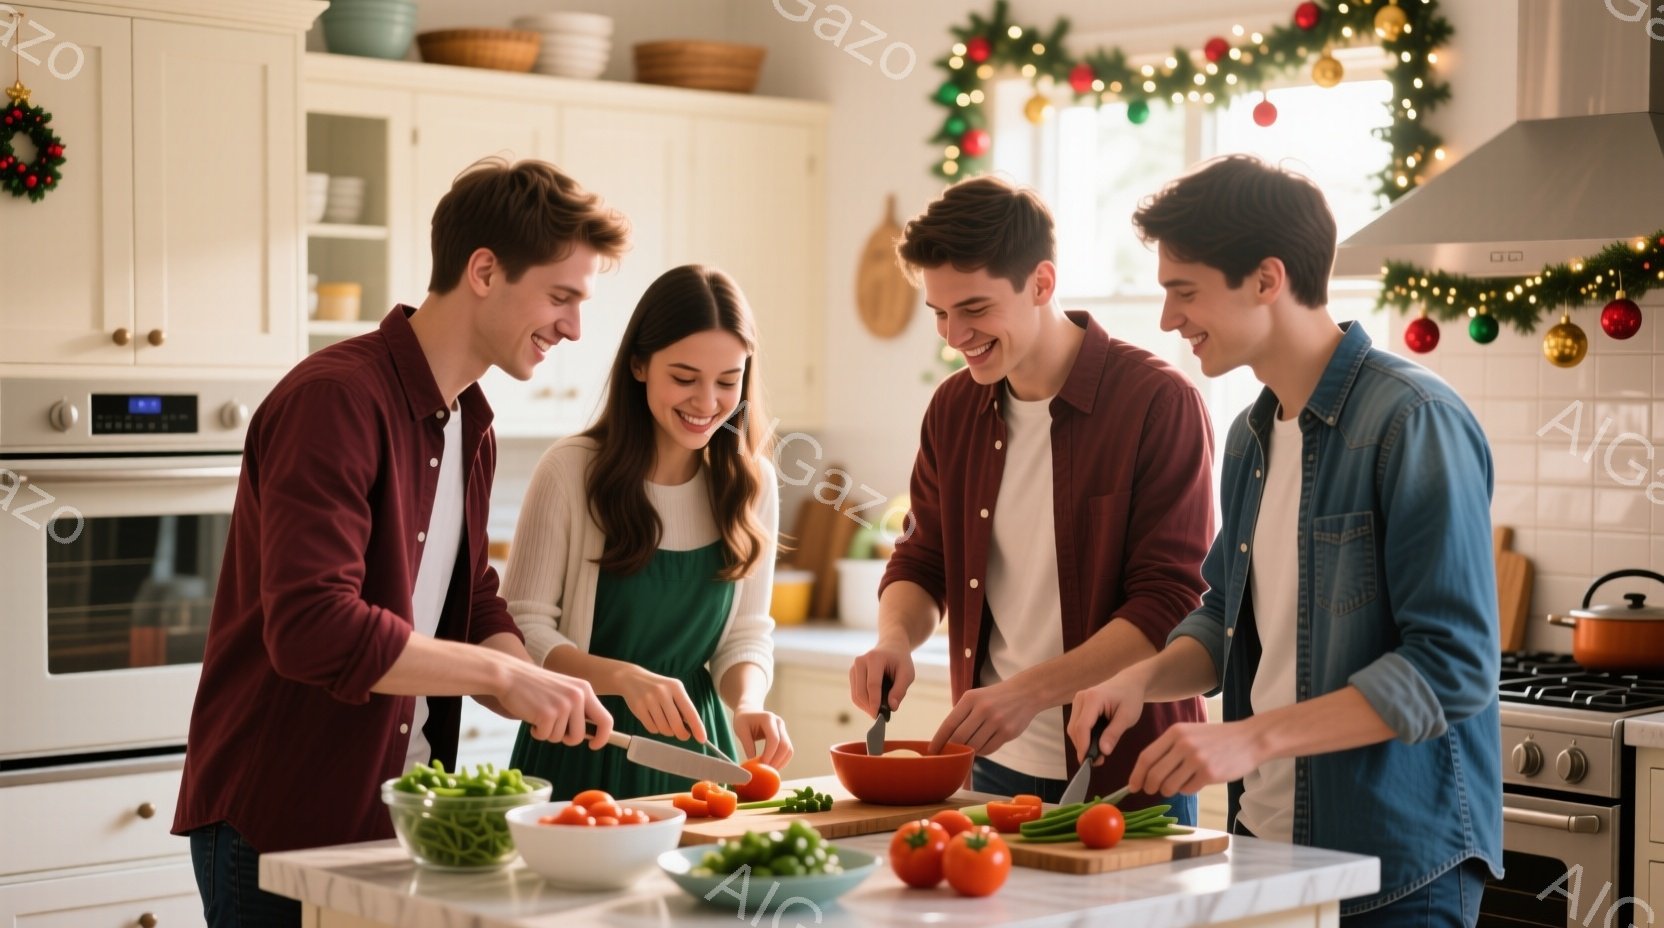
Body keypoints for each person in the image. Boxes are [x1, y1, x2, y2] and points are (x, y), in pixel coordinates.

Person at [173, 158, 628, 927]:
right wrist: (500, 677)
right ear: (483, 270)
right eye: (561, 296)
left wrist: (525, 678)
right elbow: (313, 627)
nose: (574, 328)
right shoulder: (336, 401)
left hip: (395, 815)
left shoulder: (470, 422)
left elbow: (468, 591)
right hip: (279, 825)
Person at [1068, 154, 1501, 926]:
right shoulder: (1251, 435)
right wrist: (1142, 680)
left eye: (1185, 290)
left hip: (1394, 873)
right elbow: (1225, 616)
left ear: (1267, 279)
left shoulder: (1411, 420)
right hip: (1269, 854)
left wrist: (1250, 740)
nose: (1169, 318)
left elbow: (1454, 668)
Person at [848, 175, 1215, 821]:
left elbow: (1170, 599)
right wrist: (895, 640)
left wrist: (1025, 694)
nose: (953, 335)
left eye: (975, 309)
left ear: (1041, 284)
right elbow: (921, 558)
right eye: (939, 312)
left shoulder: (1158, 402)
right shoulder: (953, 407)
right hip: (991, 771)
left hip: (1126, 773)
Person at [502, 264, 791, 800]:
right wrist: (622, 678)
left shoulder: (752, 485)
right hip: (582, 743)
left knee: (703, 885)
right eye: (684, 378)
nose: (707, 403)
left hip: (696, 757)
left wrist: (749, 703)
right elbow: (523, 627)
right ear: (639, 365)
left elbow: (746, 636)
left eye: (728, 381)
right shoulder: (570, 471)